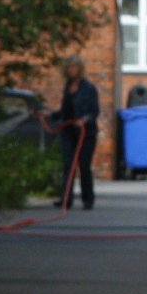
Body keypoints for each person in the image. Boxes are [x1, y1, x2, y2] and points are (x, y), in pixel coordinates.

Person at [54, 56, 100, 210]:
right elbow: (63, 112)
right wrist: (48, 114)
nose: (71, 70)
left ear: (80, 69)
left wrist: (84, 120)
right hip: (68, 132)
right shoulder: (67, 88)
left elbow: (95, 111)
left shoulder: (89, 88)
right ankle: (66, 199)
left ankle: (88, 199)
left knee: (84, 165)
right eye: (69, 67)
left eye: (74, 67)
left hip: (86, 134)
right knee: (68, 165)